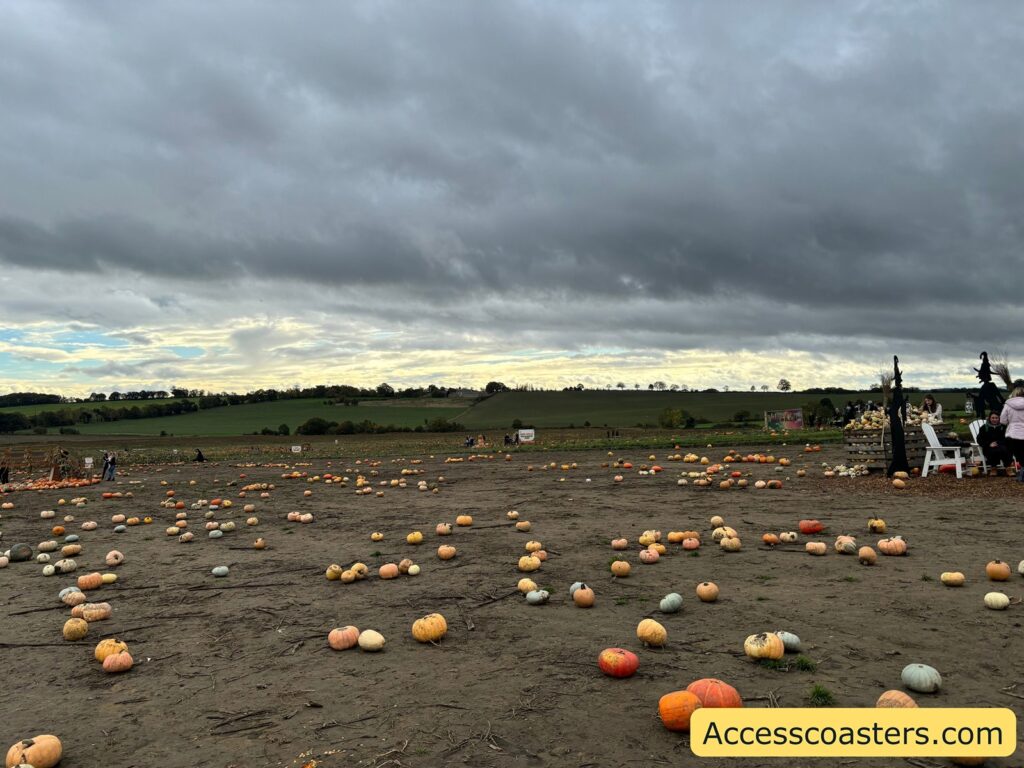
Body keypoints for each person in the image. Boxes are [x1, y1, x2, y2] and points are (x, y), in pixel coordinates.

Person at [999, 386, 1024, 480]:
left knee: (1019, 456)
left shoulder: (1008, 404)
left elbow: (1003, 420)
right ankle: (1022, 476)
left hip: (1012, 434)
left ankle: (1021, 476)